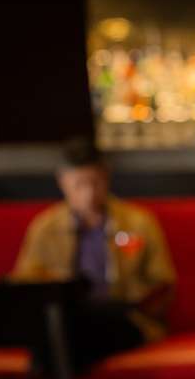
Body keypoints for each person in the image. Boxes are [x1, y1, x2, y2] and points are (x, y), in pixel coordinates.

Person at [11, 138, 175, 359]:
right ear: (62, 182)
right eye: (79, 184)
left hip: (125, 319)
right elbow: (25, 283)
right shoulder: (46, 228)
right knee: (68, 331)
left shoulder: (138, 223)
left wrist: (136, 300)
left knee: (77, 337)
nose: (88, 194)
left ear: (106, 177)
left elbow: (163, 282)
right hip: (69, 319)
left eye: (95, 183)